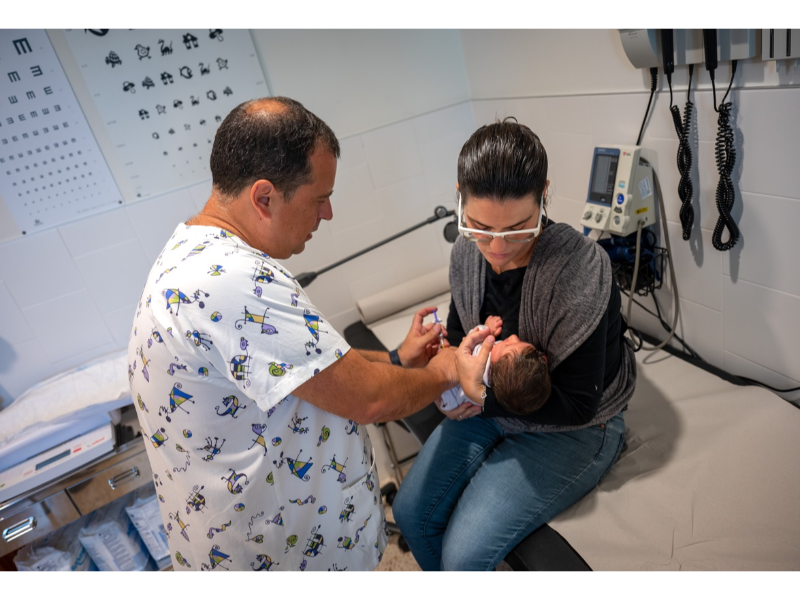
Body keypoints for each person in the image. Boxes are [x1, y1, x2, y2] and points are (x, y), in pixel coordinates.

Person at [127, 97, 458, 573]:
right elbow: (369, 401)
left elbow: (308, 364)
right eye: (319, 198)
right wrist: (447, 371)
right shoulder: (230, 282)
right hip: (277, 552)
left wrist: (396, 359)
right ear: (264, 197)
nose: (327, 214)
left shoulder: (195, 254)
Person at [392, 118, 636, 572]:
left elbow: (580, 404)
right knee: (411, 515)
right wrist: (446, 371)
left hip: (576, 424)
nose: (497, 248)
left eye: (518, 228)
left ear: (544, 195)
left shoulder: (580, 269)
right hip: (488, 402)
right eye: (481, 227)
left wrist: (479, 398)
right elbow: (458, 333)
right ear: (461, 198)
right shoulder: (466, 255)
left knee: (464, 557)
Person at [438, 317, 550, 416]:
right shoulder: (501, 384)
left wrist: (487, 329)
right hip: (453, 402)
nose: (513, 337)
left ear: (490, 371)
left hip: (445, 382)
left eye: (507, 345)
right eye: (519, 341)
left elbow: (473, 336)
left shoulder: (481, 358)